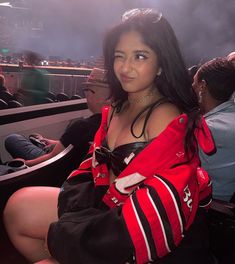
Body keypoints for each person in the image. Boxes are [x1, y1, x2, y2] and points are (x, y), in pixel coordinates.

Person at [4, 8, 215, 264]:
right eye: (119, 55)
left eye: (140, 56)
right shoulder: (118, 105)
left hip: (140, 232)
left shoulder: (164, 118)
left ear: (161, 63)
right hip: (104, 205)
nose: (125, 67)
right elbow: (96, 170)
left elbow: (148, 220)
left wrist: (64, 242)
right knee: (17, 208)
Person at [0, 67, 110, 177]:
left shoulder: (81, 126)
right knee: (20, 139)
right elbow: (75, 145)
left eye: (90, 90)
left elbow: (52, 158)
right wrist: (51, 142)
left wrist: (22, 163)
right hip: (69, 165)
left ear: (108, 98)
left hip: (53, 168)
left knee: (12, 139)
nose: (86, 94)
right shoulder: (113, 125)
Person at [192, 57, 235, 202]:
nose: (192, 85)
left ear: (202, 86)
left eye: (194, 82)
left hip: (214, 208)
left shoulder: (209, 128)